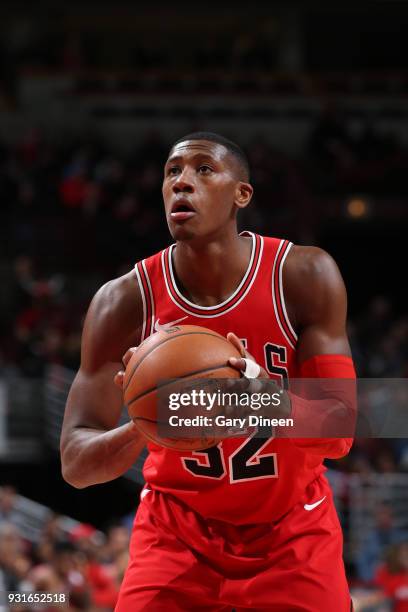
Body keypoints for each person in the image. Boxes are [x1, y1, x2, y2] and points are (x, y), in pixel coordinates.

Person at [60, 132, 356, 611]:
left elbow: (341, 430)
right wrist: (144, 422)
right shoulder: (123, 301)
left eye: (202, 169)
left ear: (241, 194)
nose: (182, 183)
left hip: (292, 533)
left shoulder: (303, 274)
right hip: (175, 535)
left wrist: (256, 398)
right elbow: (75, 464)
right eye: (171, 172)